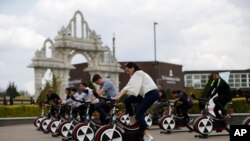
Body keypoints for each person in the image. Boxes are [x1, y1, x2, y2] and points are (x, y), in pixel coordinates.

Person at [113, 62, 159, 141]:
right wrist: (119, 95)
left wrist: (119, 96)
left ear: (133, 68)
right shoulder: (134, 75)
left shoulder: (138, 73)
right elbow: (131, 89)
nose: (126, 72)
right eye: (126, 71)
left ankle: (147, 134)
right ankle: (133, 120)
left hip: (152, 94)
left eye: (128, 70)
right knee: (128, 100)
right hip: (144, 95)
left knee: (139, 113)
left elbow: (128, 87)